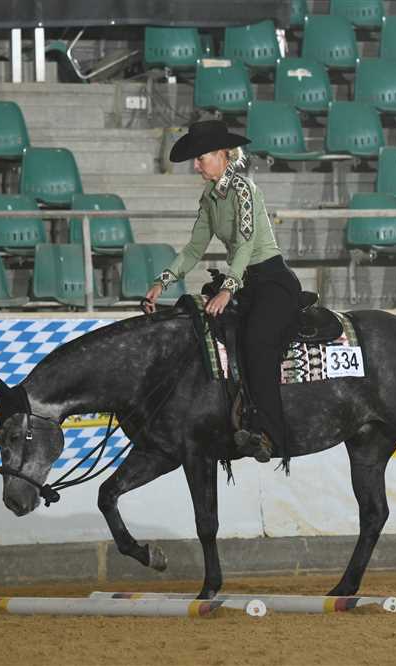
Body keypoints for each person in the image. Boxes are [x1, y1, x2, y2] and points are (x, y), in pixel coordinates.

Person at [144, 120, 302, 464]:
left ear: (222, 155)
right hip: (245, 282)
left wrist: (228, 289)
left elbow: (245, 245)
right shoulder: (209, 197)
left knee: (257, 340)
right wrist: (162, 281)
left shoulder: (244, 190)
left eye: (200, 158)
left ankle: (270, 433)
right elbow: (194, 248)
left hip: (272, 281)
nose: (196, 165)